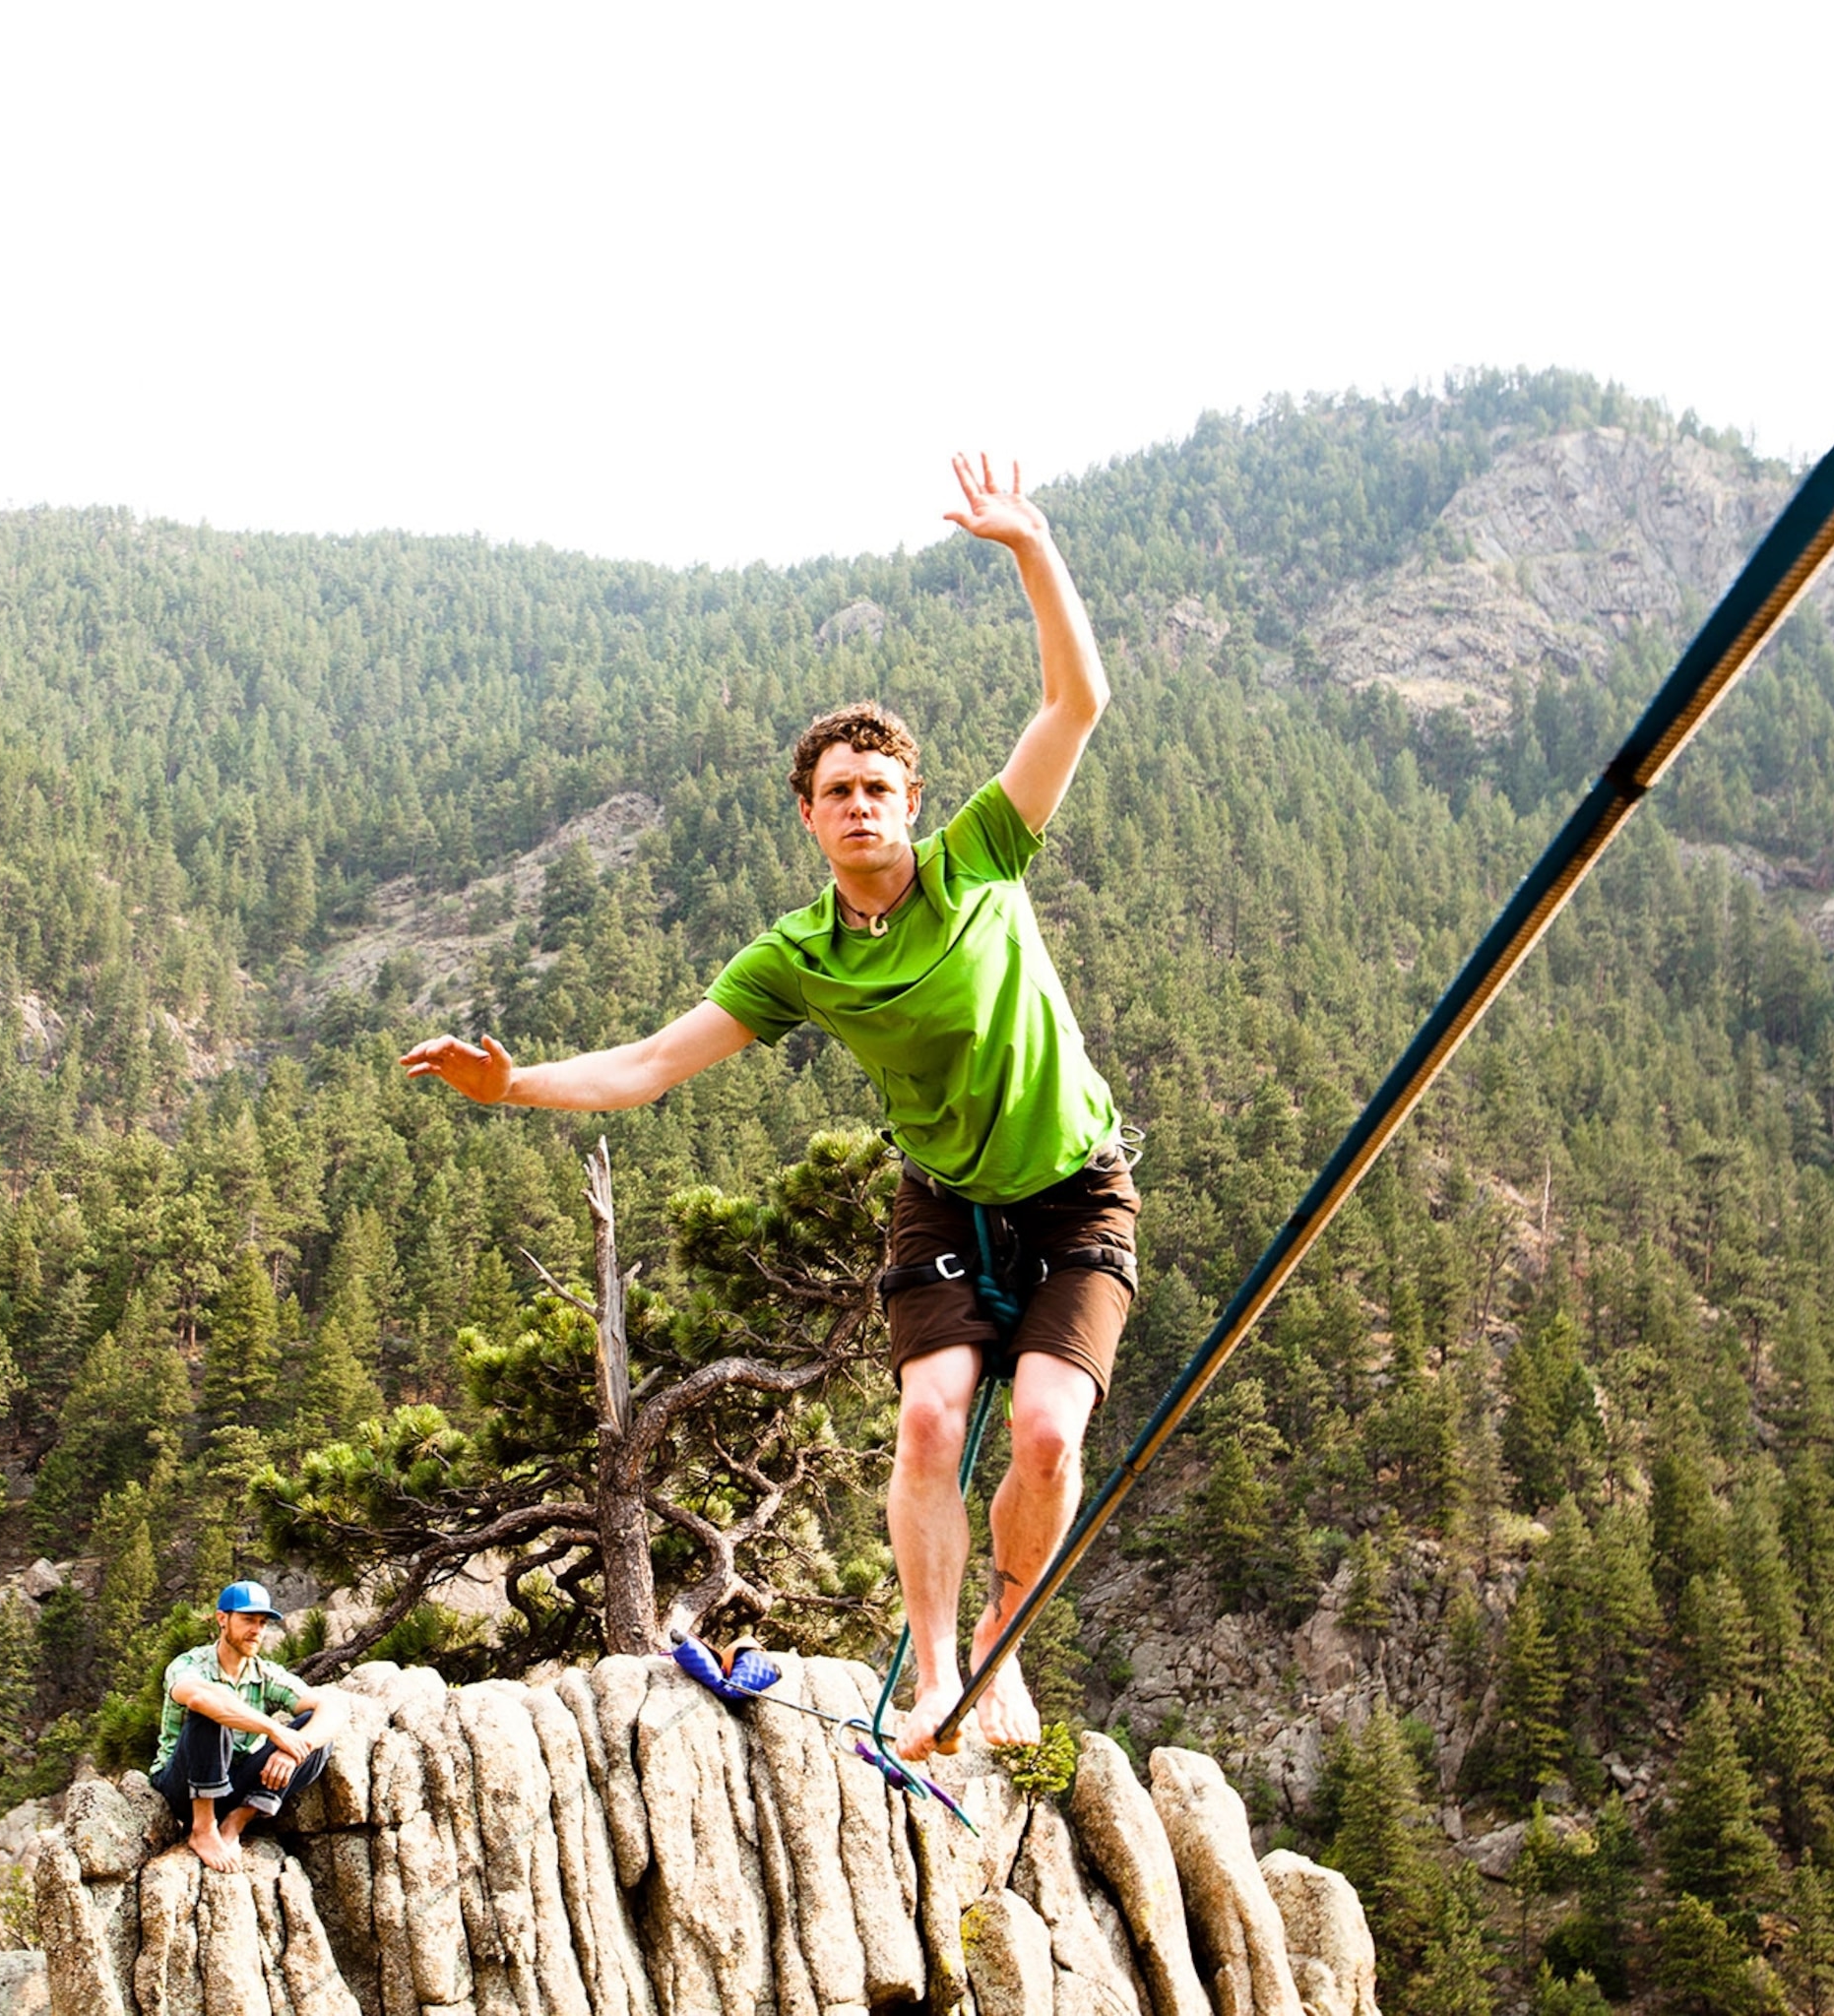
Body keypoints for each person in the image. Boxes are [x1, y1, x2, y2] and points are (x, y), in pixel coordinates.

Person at [400, 453, 1128, 1755]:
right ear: (808, 816)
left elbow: (1077, 702)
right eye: (837, 792)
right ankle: (937, 1672)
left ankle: (1006, 1659)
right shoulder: (798, 956)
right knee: (925, 1414)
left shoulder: (980, 863)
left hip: (1077, 1184)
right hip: (947, 1193)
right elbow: (647, 1066)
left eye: (881, 789)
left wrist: (1029, 547)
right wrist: (508, 1084)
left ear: (914, 802)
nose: (861, 807)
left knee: (1044, 1436)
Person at [150, 1581, 334, 1870]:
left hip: (235, 1784)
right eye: (248, 1620)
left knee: (317, 1737)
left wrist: (294, 1749)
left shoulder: (265, 1673)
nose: (257, 1630)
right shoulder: (190, 1664)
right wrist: (275, 1730)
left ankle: (237, 1820)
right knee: (210, 1712)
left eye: (262, 1623)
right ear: (222, 1619)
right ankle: (203, 1828)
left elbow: (329, 1708)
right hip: (183, 1785)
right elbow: (200, 1697)